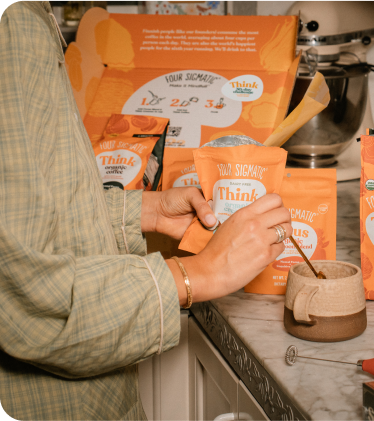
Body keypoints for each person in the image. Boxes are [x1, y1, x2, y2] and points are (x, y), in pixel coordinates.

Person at [0, 1, 292, 419]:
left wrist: (143, 211)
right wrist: (199, 273)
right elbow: (29, 304)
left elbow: (26, 209)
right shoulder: (12, 26)